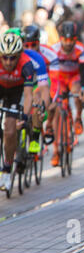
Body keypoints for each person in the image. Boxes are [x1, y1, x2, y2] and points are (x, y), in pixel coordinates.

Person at [48, 21, 84, 166]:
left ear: (75, 39)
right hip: (59, 78)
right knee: (57, 110)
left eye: (71, 39)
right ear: (60, 39)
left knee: (77, 92)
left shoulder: (80, 48)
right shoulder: (54, 49)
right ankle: (55, 150)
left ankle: (77, 117)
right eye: (65, 40)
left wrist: (83, 89)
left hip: (74, 77)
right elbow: (49, 72)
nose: (68, 43)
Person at [0, 33, 35, 190]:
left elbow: (28, 95)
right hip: (1, 88)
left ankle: (7, 168)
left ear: (19, 55)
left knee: (10, 129)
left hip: (16, 92)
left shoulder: (26, 65)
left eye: (13, 58)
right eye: (5, 57)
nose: (8, 62)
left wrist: (25, 116)